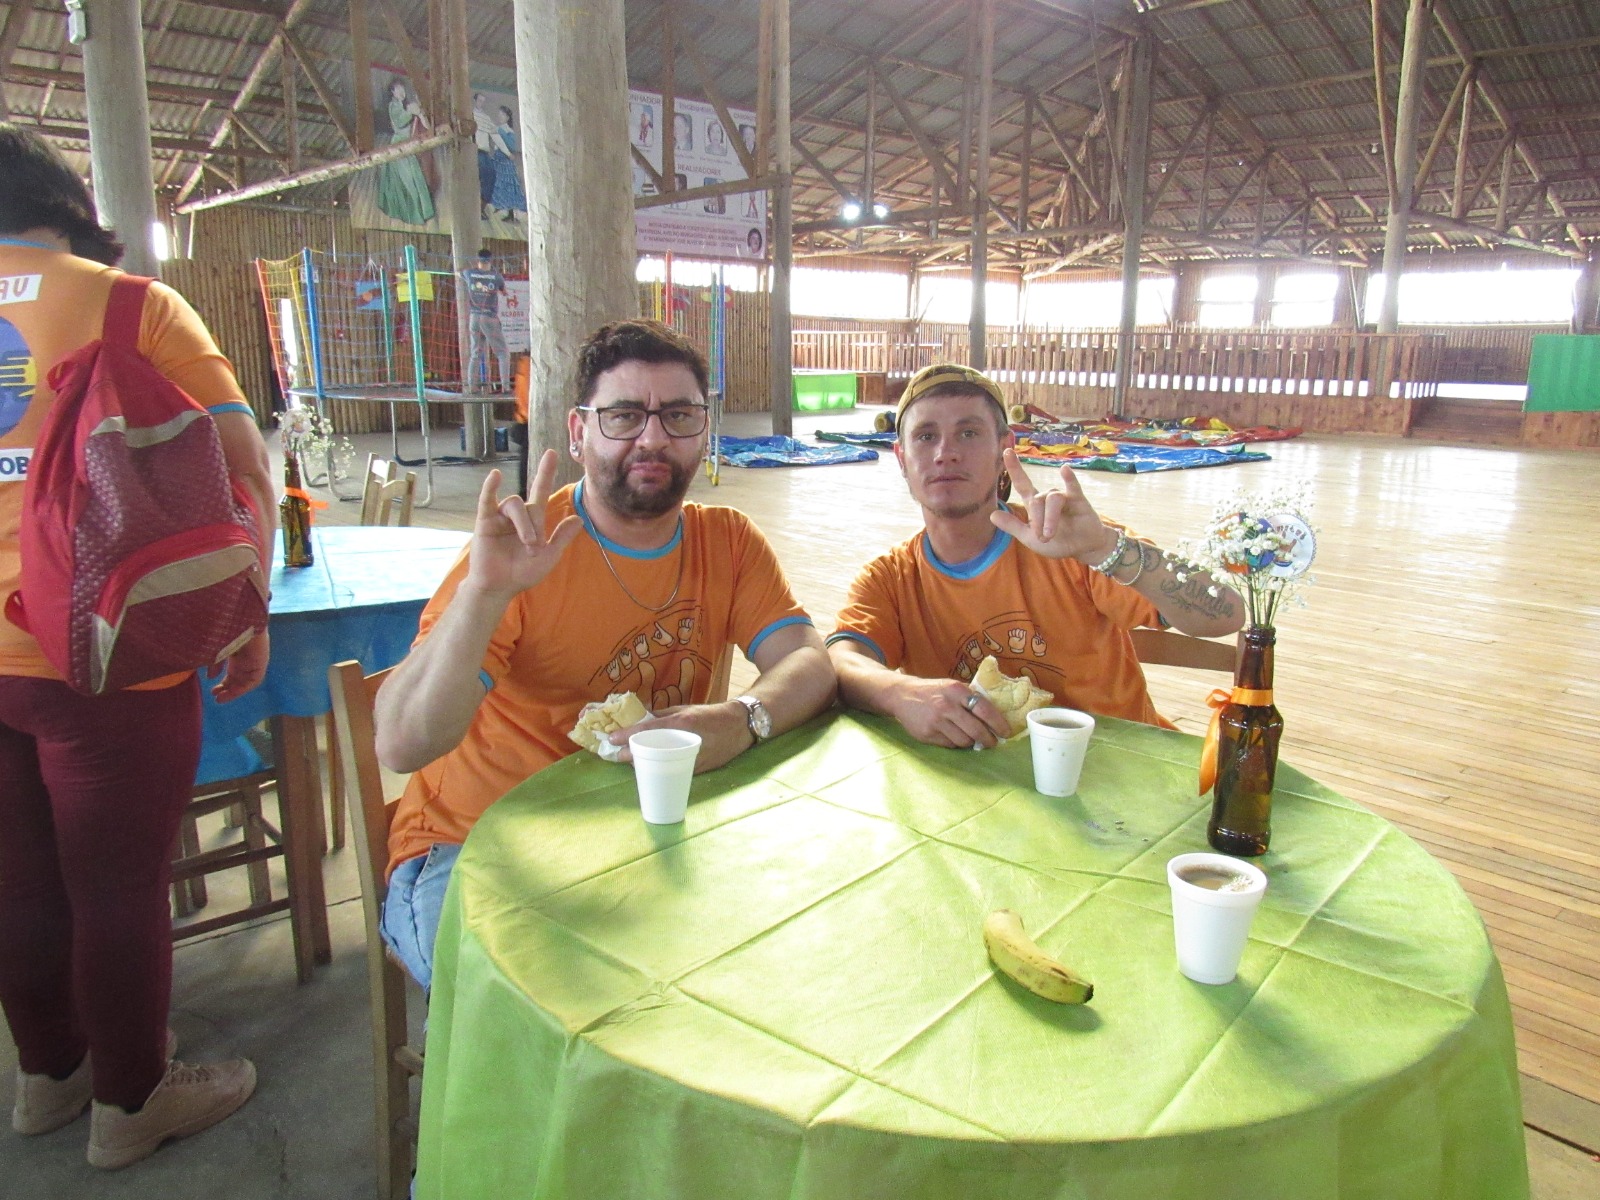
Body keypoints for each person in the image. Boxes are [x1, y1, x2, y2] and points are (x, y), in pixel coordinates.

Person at [374, 320, 836, 991]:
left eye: (678, 416)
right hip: (476, 842)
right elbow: (401, 744)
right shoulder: (525, 552)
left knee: (779, 961)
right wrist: (485, 593)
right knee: (537, 1007)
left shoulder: (728, 542)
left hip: (647, 831)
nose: (652, 438)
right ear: (578, 431)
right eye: (623, 416)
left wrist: (742, 718)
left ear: (704, 431)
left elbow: (809, 663)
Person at [0, 125, 272, 1168]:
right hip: (104, 649)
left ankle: (48, 1078)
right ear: (67, 211)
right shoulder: (130, 307)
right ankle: (130, 1100)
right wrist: (246, 611)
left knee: (18, 880)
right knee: (115, 885)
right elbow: (243, 466)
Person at [828, 363, 1245, 750]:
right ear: (902, 458)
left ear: (1004, 449)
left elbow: (1225, 614)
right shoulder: (891, 578)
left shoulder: (1071, 541)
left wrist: (1104, 549)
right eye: (925, 436)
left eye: (968, 433)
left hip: (1118, 766)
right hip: (982, 781)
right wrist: (901, 693)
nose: (945, 453)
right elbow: (843, 661)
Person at [376, 78, 435, 227]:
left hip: (409, 146)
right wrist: (411, 111)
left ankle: (421, 214)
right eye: (398, 89)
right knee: (407, 181)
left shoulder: (406, 105)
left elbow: (426, 125)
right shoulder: (393, 106)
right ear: (393, 92)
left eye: (403, 89)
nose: (402, 92)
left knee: (416, 179)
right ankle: (413, 215)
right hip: (399, 146)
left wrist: (420, 113)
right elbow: (400, 121)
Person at [460, 249, 510, 393]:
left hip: (474, 318)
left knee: (475, 353)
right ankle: (506, 387)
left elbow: (459, 272)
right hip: (489, 317)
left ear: (478, 260)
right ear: (490, 260)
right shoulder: (496, 277)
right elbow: (504, 291)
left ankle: (471, 386)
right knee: (503, 353)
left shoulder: (469, 274)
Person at [489, 106, 526, 222]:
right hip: (499, 158)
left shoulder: (505, 130)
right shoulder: (498, 129)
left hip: (505, 159)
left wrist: (508, 153)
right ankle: (501, 207)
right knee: (499, 182)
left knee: (508, 183)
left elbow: (509, 145)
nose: (500, 117)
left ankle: (510, 212)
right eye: (499, 114)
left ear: (507, 117)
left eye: (502, 115)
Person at [472, 92, 497, 220]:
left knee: (491, 176)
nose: (481, 103)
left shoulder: (486, 118)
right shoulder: (471, 115)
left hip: (485, 152)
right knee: (477, 179)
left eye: (483, 101)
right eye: (479, 100)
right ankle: (475, 209)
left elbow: (494, 133)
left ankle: (481, 208)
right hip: (474, 151)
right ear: (475, 101)